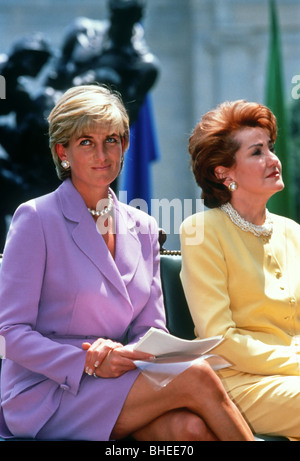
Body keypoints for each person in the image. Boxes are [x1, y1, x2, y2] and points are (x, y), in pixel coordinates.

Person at [0, 86, 253, 441]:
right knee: (196, 375)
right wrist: (87, 360)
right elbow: (9, 335)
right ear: (63, 151)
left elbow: (151, 329)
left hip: (119, 379)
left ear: (126, 146)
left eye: (113, 140)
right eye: (86, 141)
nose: (103, 154)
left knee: (189, 429)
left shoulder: (144, 226)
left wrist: (127, 353)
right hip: (47, 392)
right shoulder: (36, 219)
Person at [180, 99, 300, 440]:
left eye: (270, 148)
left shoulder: (293, 232)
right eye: (257, 152)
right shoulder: (201, 231)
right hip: (236, 384)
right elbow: (220, 340)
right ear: (224, 173)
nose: (273, 160)